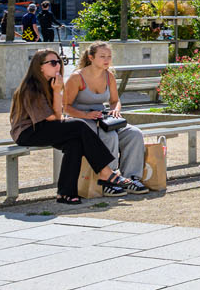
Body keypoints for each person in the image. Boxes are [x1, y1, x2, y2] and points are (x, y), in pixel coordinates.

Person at [9, 51, 126, 205]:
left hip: (45, 127)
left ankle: (66, 194)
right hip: (27, 132)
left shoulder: (50, 82)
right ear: (40, 67)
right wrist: (57, 91)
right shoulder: (31, 87)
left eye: (59, 61)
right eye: (52, 62)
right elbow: (54, 117)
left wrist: (57, 92)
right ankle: (105, 172)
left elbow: (58, 115)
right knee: (79, 125)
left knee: (75, 143)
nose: (57, 64)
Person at [63, 44, 151, 193]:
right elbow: (65, 107)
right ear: (91, 58)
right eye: (102, 56)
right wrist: (86, 115)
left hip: (102, 118)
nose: (107, 60)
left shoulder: (108, 75)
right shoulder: (77, 77)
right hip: (80, 120)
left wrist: (115, 111)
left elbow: (115, 101)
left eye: (109, 56)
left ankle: (130, 178)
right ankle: (108, 180)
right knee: (109, 136)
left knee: (134, 133)